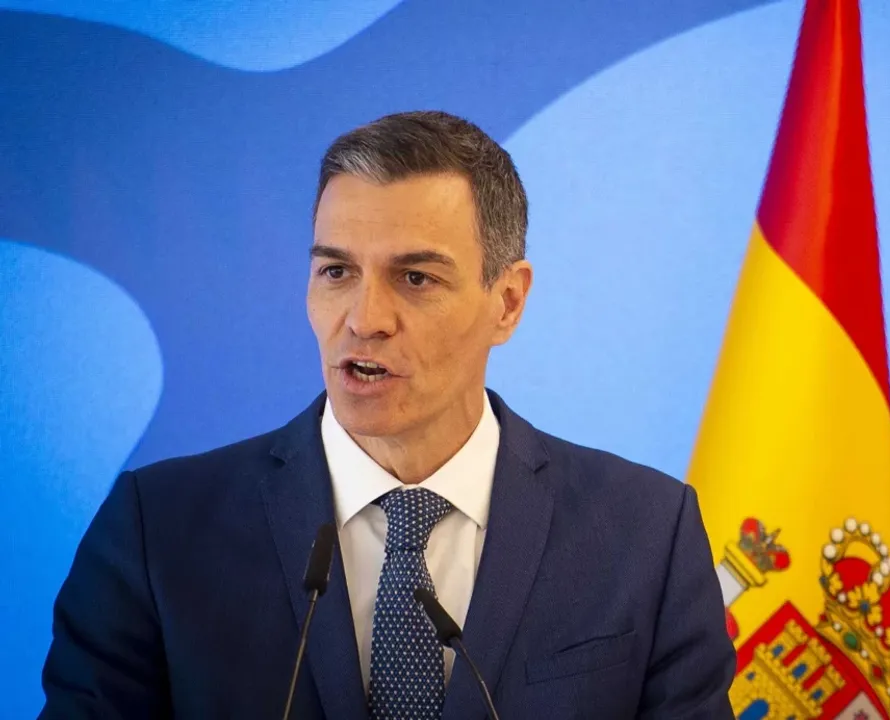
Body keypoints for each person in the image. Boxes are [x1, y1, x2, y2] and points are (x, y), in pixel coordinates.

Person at [39, 111, 736, 719]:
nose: (364, 319)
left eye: (415, 278)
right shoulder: (158, 530)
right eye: (336, 272)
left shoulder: (647, 534)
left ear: (507, 302)